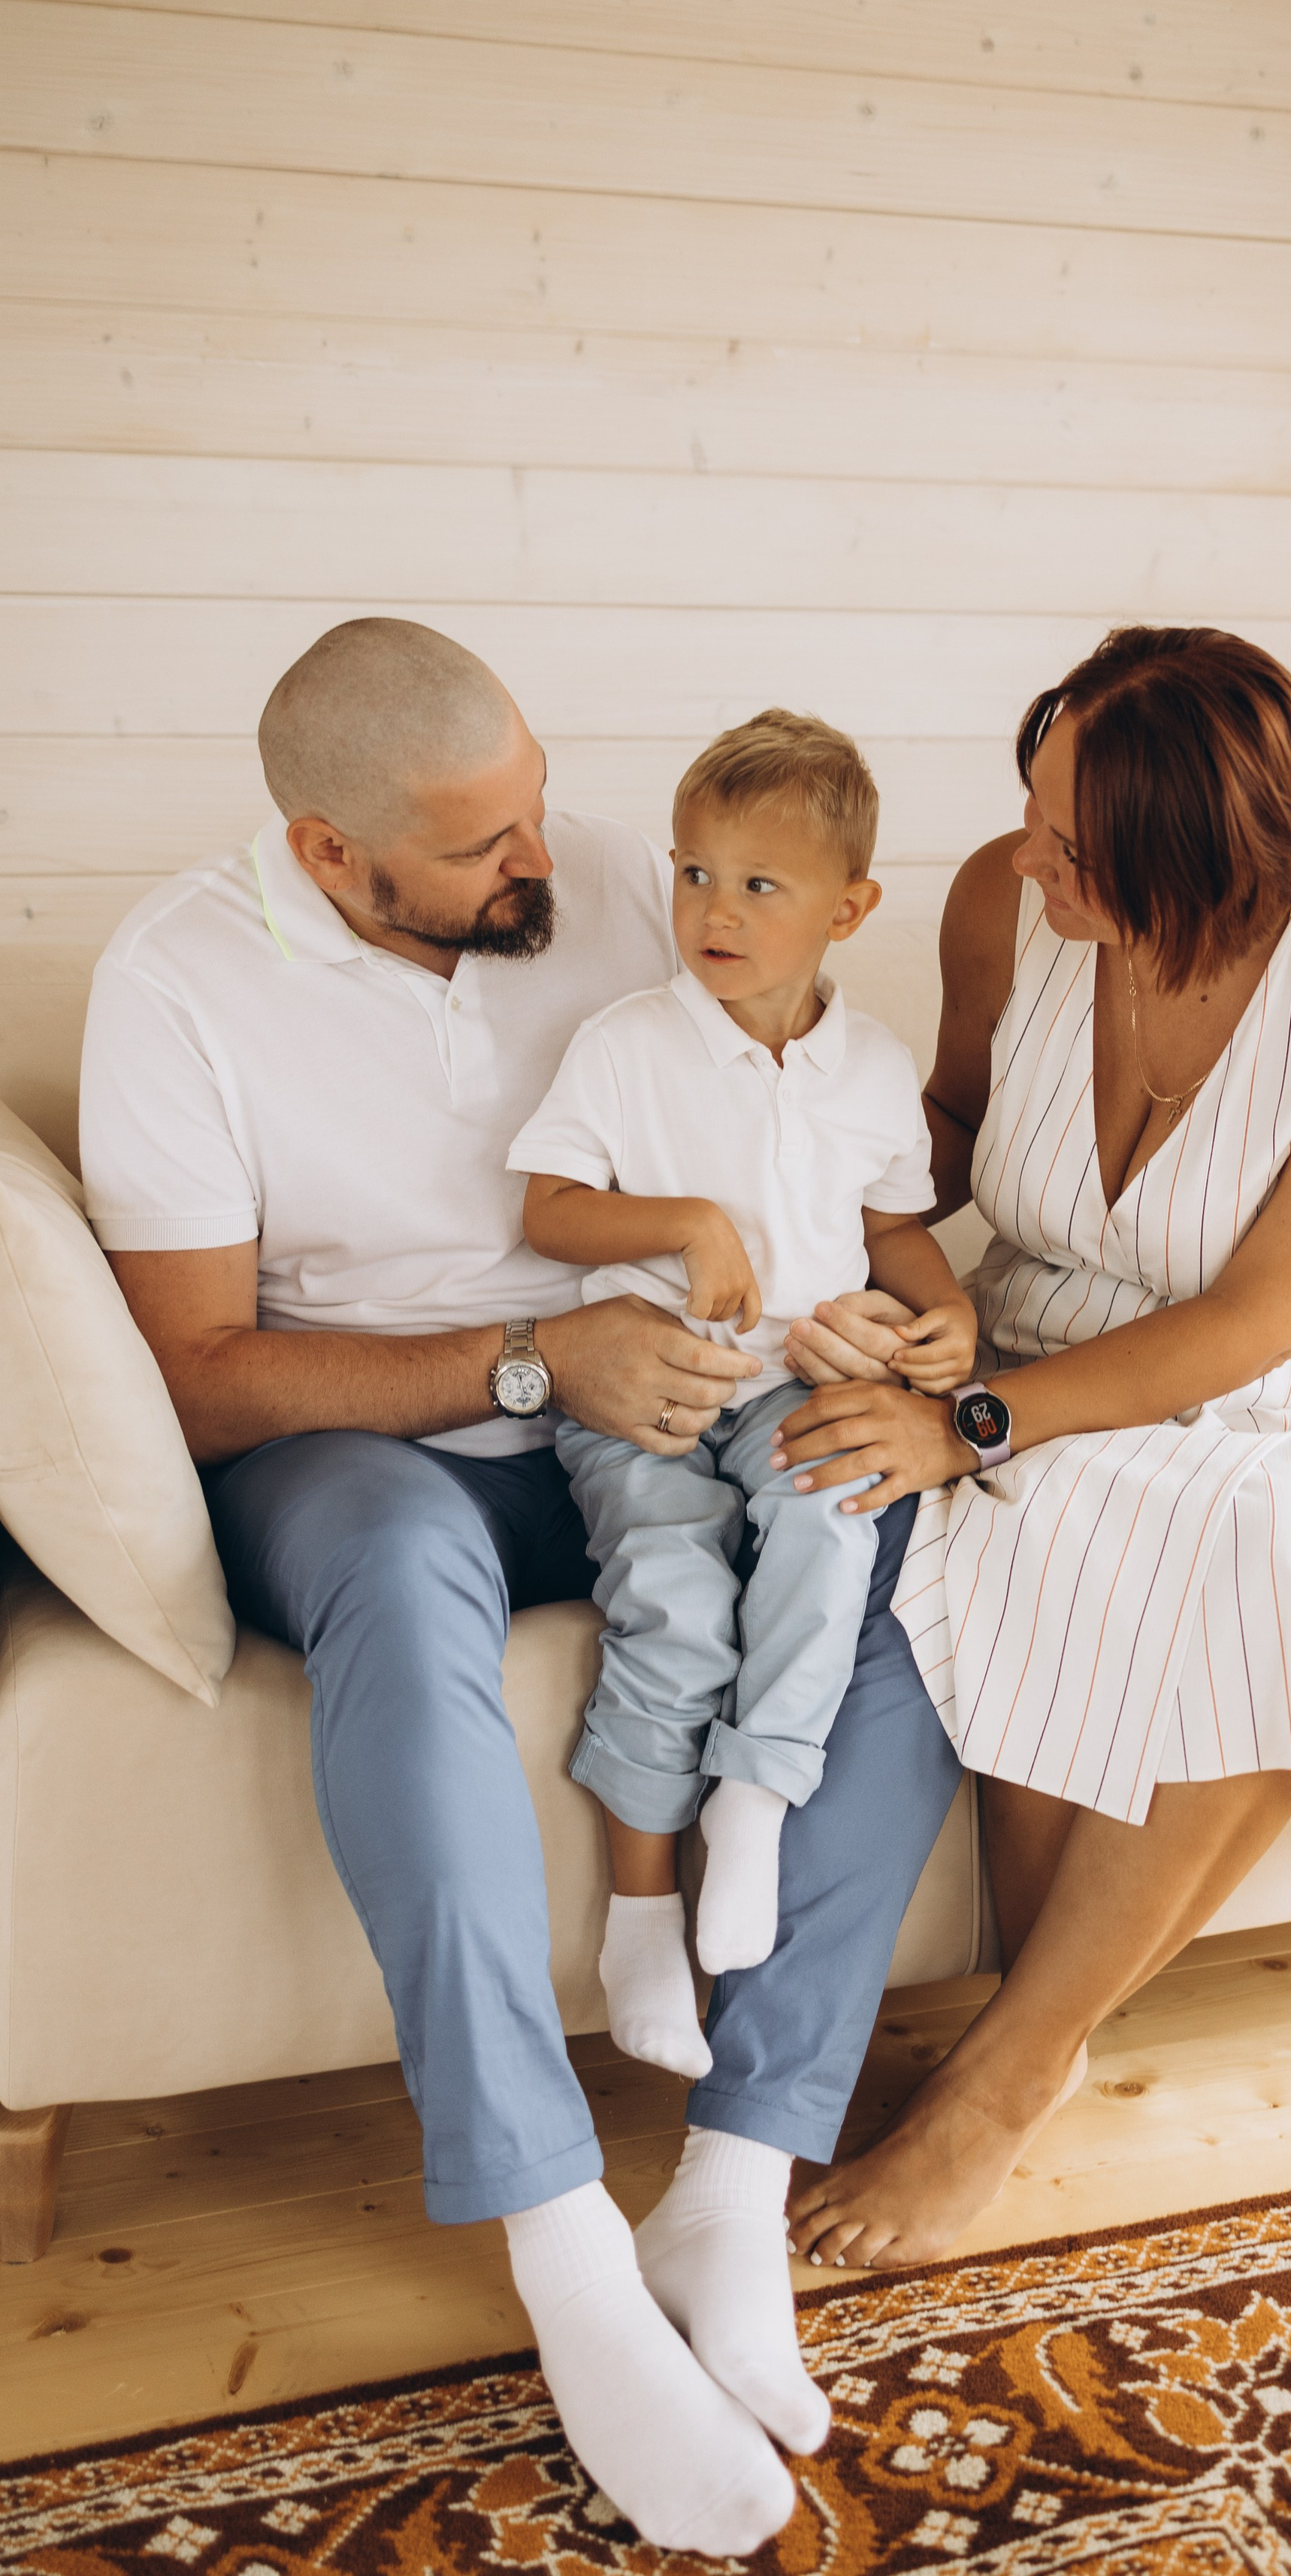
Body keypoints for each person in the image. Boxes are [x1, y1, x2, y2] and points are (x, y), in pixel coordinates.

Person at [77, 620, 963, 2554]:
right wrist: (527, 1361)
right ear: (331, 851)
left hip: (660, 1403)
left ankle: (732, 2186)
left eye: (537, 804)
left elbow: (798, 1133)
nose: (546, 863)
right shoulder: (175, 983)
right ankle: (565, 2250)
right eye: (483, 844)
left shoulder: (631, 887)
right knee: (401, 1589)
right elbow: (198, 1371)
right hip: (374, 1437)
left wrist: (854, 1331)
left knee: (887, 1551)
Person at [769, 626, 1291, 2273]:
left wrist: (968, 1423)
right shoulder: (1004, 904)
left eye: (1073, 847)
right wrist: (794, 1169)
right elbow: (952, 1127)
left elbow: (1265, 1312)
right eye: (1034, 813)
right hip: (1051, 1324)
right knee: (1044, 1517)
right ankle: (1029, 2024)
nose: (1027, 860)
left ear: (1206, 859)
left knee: (1272, 1533)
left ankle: (1007, 2071)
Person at [509, 711, 976, 2080]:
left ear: (849, 908)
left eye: (759, 884)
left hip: (798, 1383)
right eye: (694, 872)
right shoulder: (625, 1044)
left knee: (834, 1524)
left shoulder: (873, 1067)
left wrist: (946, 1314)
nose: (714, 910)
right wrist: (689, 1222)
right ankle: (642, 1914)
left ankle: (758, 1799)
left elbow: (894, 1229)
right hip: (647, 1397)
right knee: (676, 1594)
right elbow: (550, 1208)